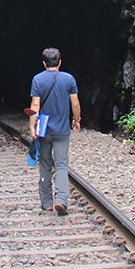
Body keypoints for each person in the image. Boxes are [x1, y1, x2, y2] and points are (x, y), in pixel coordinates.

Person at [27, 47, 81, 215]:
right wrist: (76, 120)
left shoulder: (37, 79)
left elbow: (35, 106)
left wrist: (31, 126)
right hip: (62, 130)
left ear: (44, 63)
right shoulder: (69, 79)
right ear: (60, 62)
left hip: (44, 129)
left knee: (44, 164)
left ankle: (47, 202)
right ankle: (61, 200)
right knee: (62, 165)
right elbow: (75, 104)